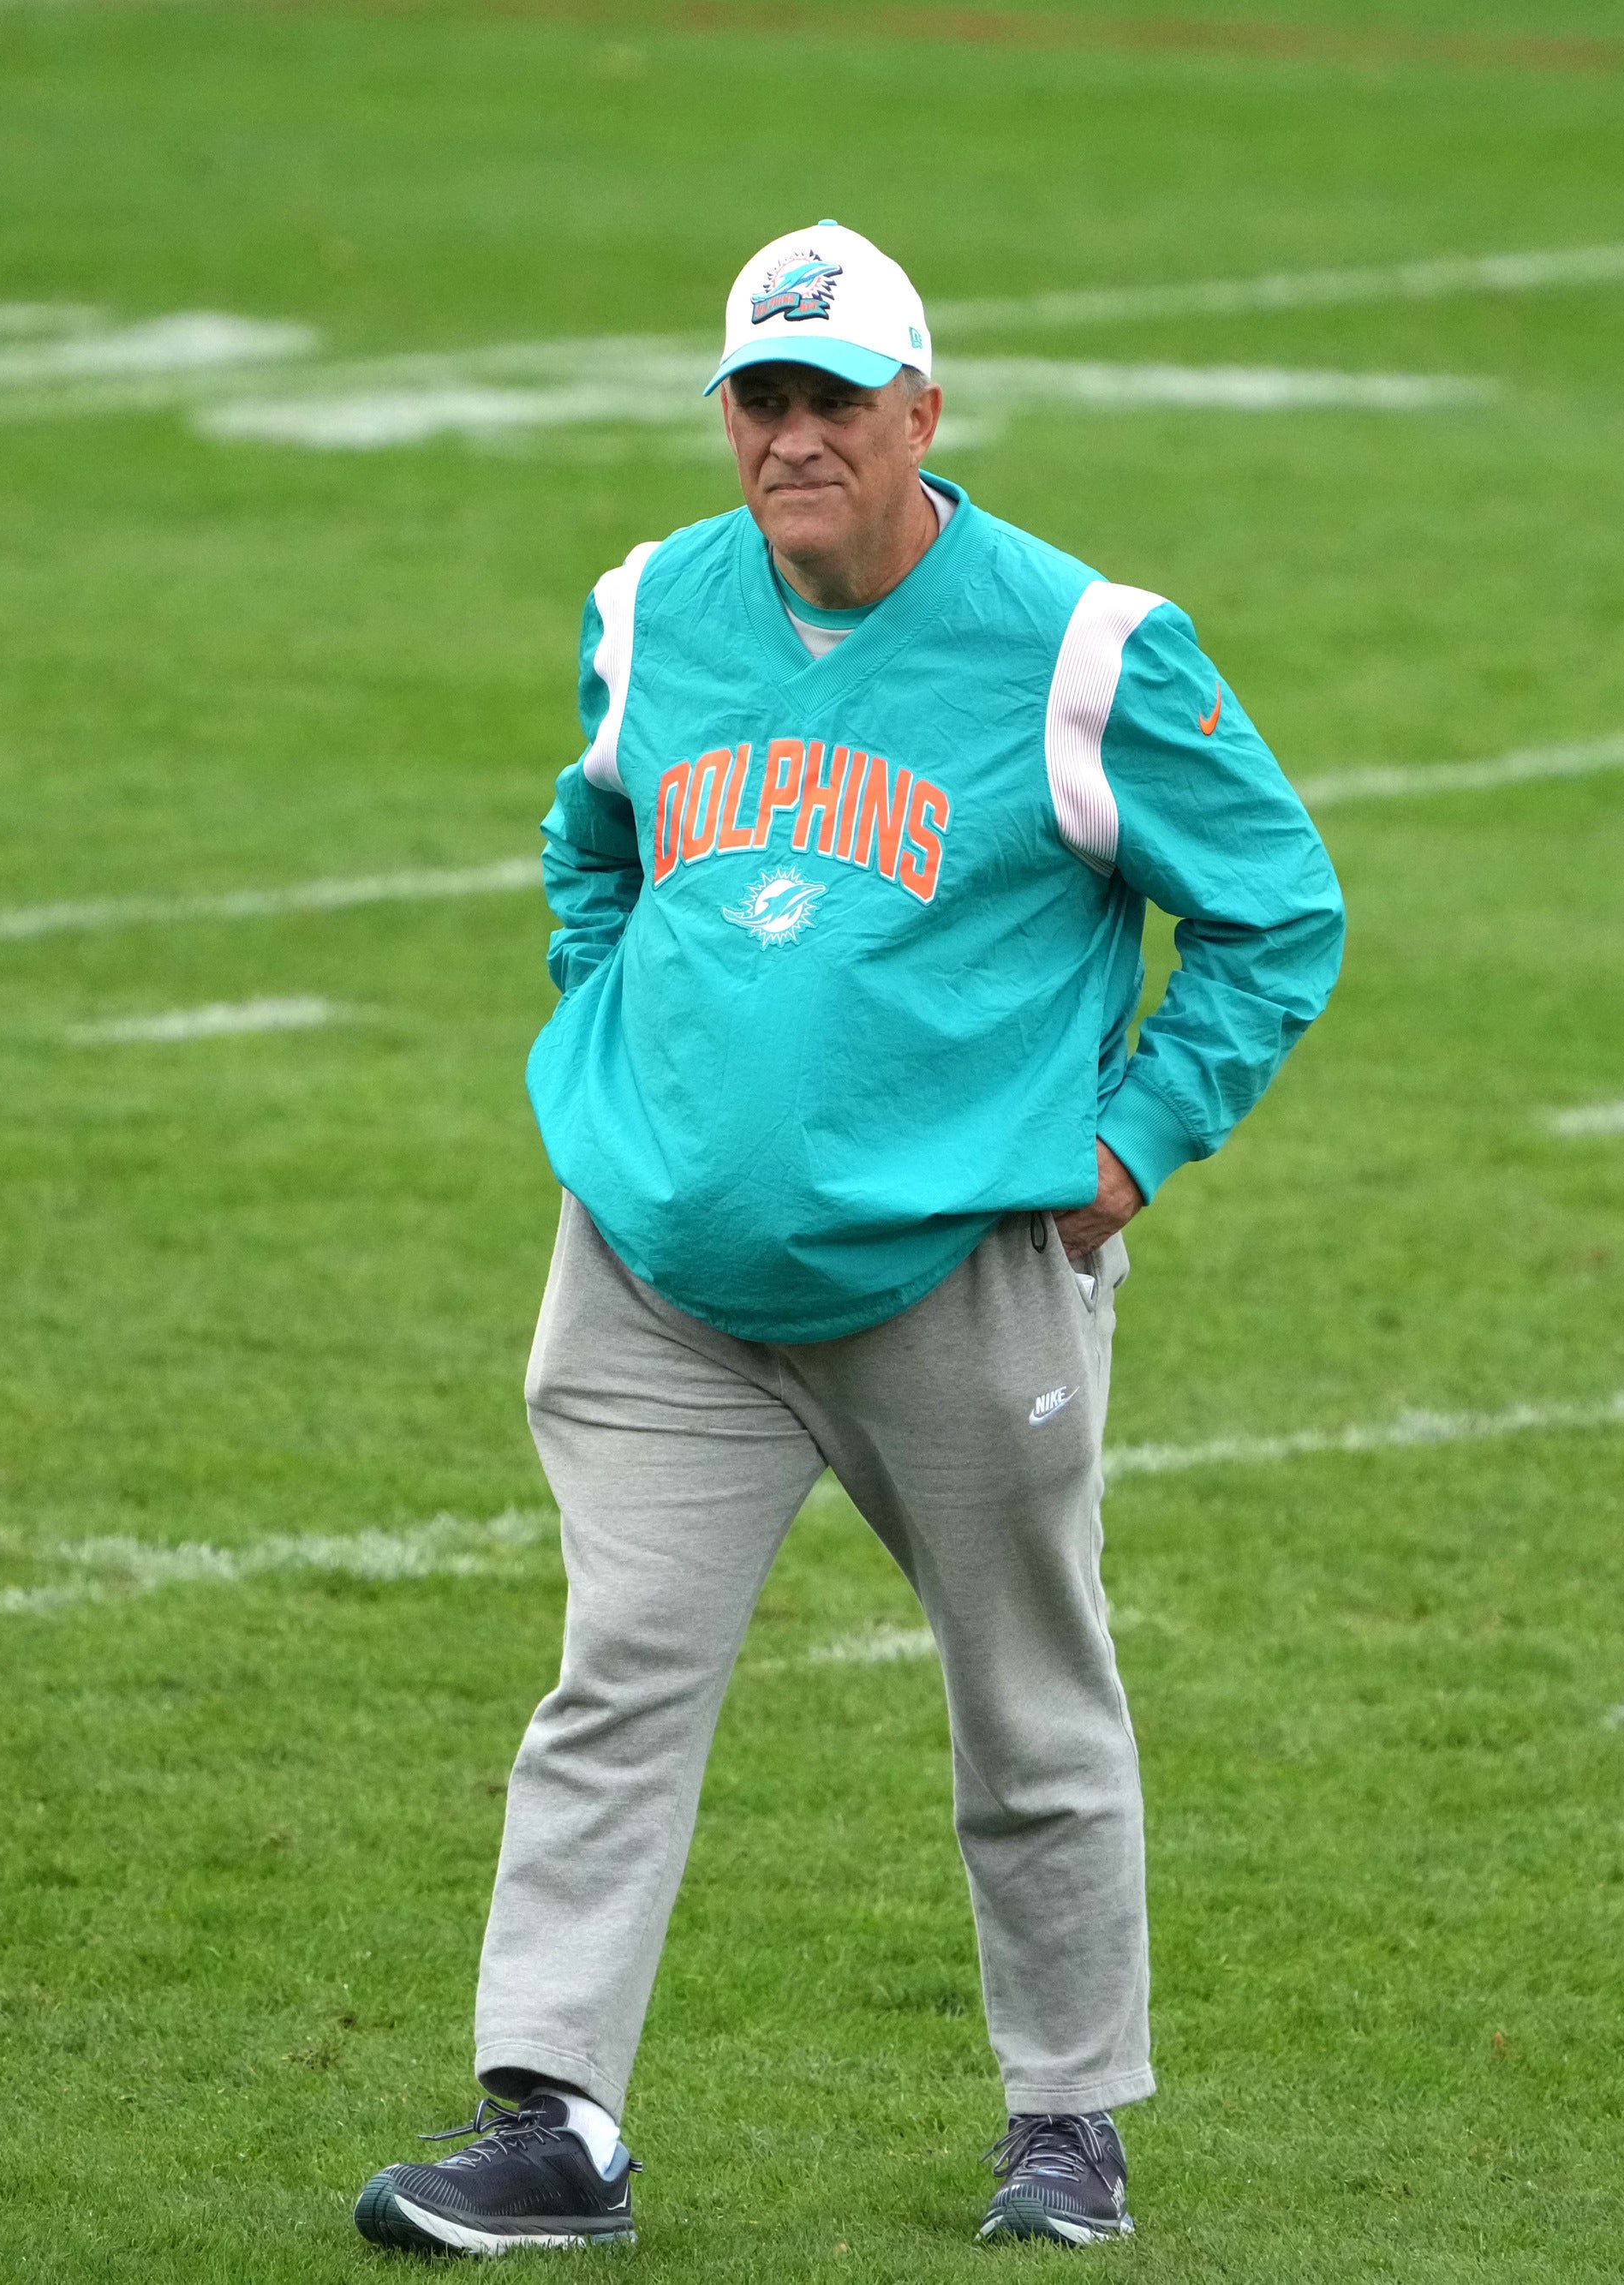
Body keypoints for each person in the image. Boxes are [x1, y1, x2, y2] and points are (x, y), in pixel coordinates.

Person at [353, 220, 1344, 2256]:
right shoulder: (646, 606)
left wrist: (1134, 1139)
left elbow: (1275, 905)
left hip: (955, 1270)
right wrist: (606, 1033)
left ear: (921, 409)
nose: (789, 438)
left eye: (828, 401)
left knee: (1025, 1691)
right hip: (653, 1270)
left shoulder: (1082, 647)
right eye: (758, 401)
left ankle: (1065, 2117)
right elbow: (593, 829)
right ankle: (549, 2113)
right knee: (611, 1680)